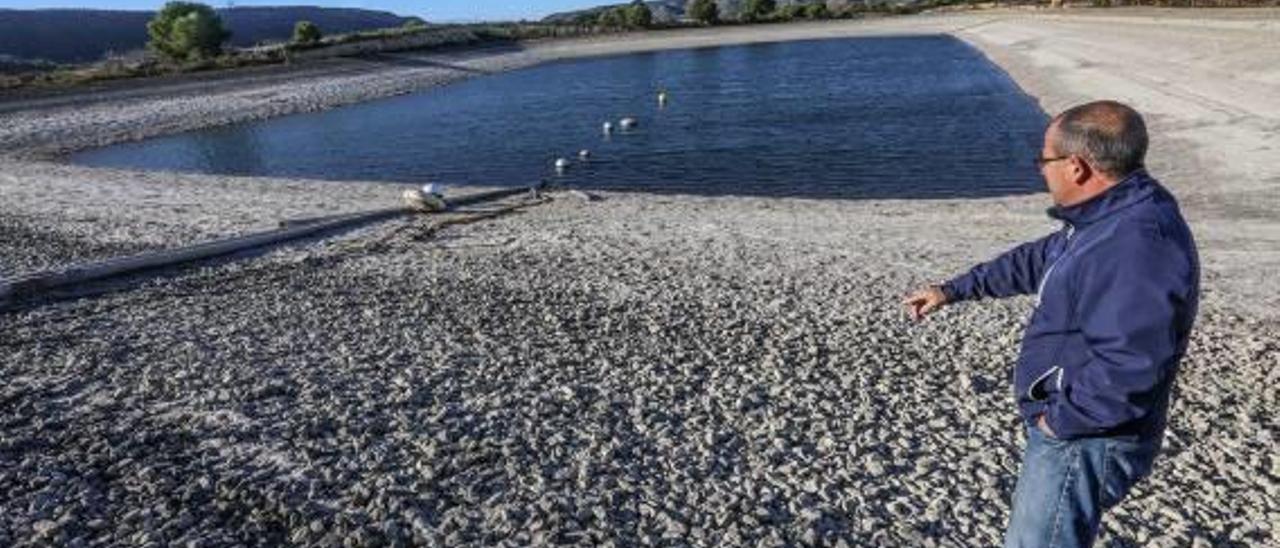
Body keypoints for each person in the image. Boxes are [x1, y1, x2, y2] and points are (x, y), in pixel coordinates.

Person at [903, 100, 1200, 547]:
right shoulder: (1107, 216)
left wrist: (1059, 423)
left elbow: (1132, 361)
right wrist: (953, 290)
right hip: (1076, 425)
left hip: (1086, 437)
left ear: (1077, 167)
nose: (1041, 170)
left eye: (1044, 160)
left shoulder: (1137, 242)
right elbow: (1041, 259)